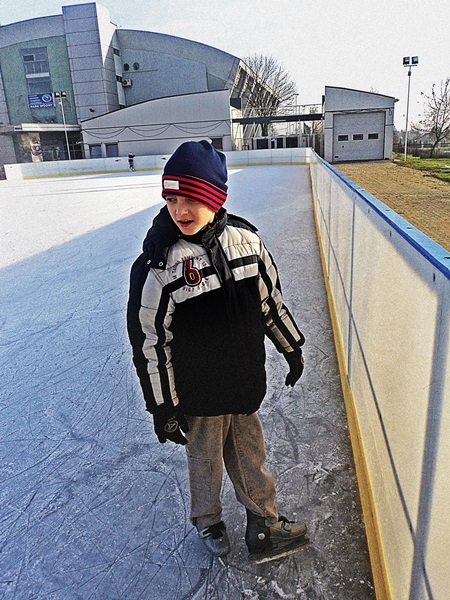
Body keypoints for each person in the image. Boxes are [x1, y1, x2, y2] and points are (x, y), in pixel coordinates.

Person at [127, 140, 308, 563]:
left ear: (215, 197)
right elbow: (151, 343)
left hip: (244, 384)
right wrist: (163, 406)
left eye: (191, 198)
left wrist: (292, 347)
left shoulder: (248, 244)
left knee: (251, 456)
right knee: (204, 460)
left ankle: (263, 524)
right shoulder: (161, 266)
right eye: (171, 198)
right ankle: (208, 518)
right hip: (200, 394)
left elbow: (270, 305)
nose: (180, 210)